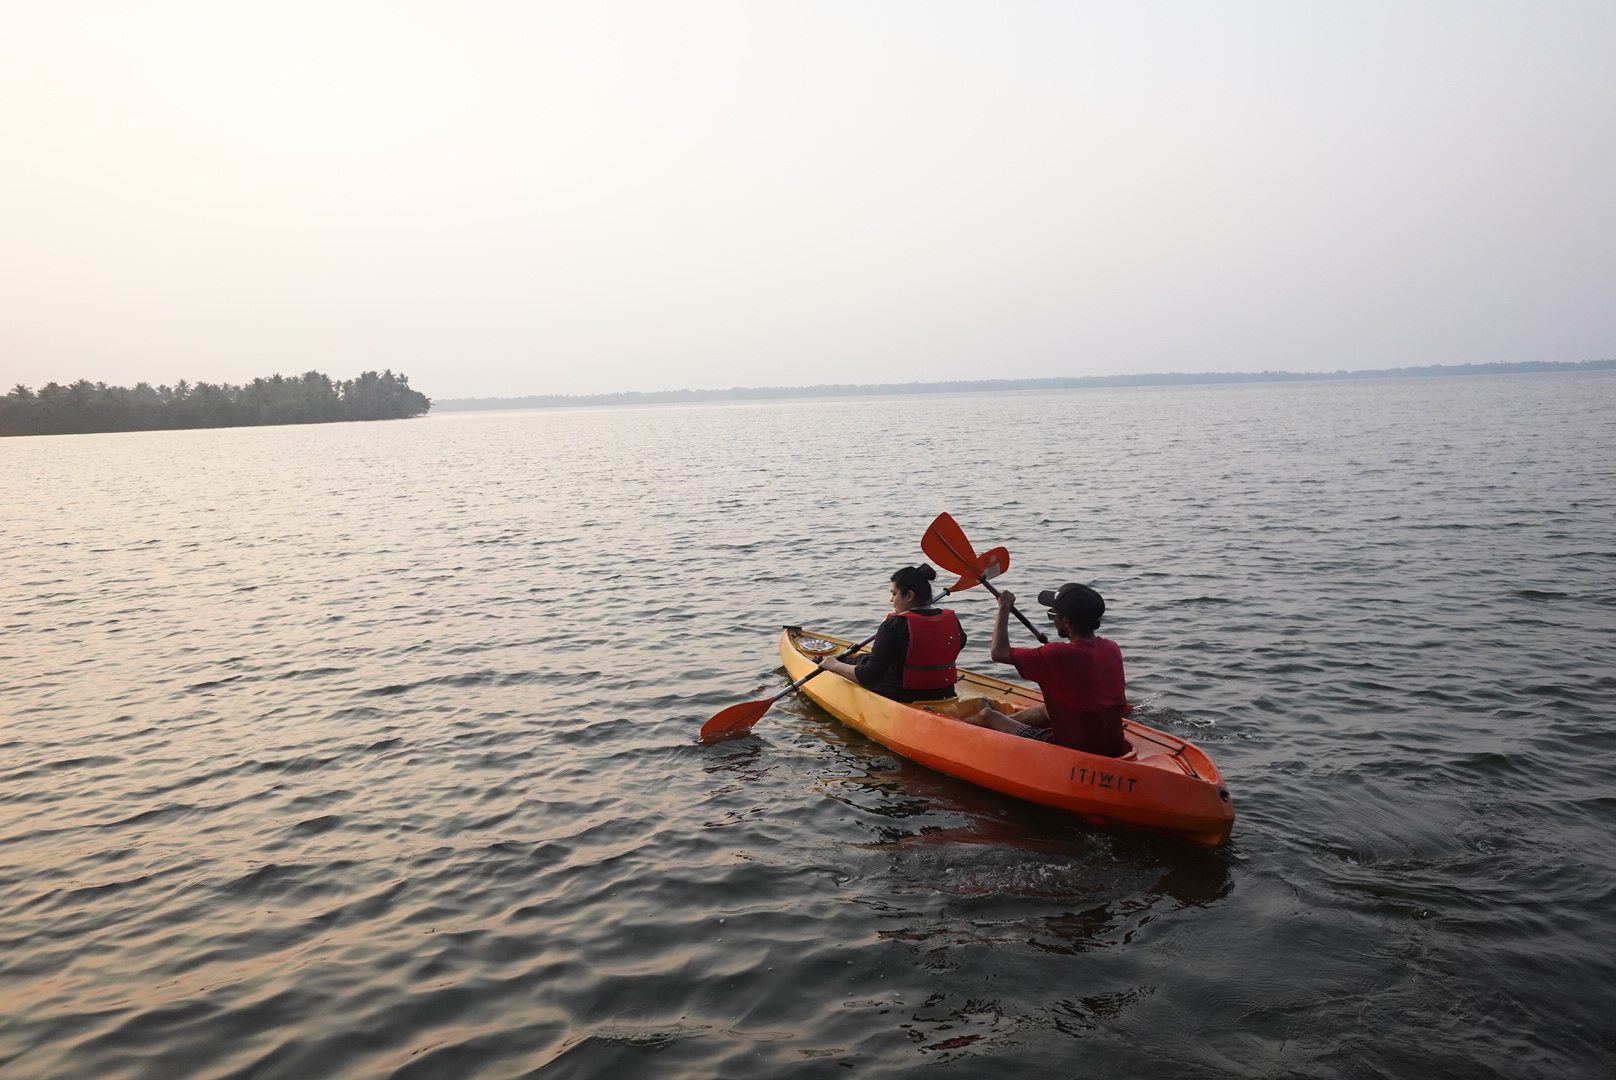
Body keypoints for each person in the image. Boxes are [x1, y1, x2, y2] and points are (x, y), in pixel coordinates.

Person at [956, 582, 1130, 757]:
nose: (1053, 620)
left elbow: (998, 653)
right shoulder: (1111, 647)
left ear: (1066, 622)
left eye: (1053, 614)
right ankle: (1001, 723)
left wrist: (1004, 607)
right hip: (1112, 745)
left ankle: (956, 727)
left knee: (987, 715)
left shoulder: (1057, 654)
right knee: (1046, 709)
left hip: (1071, 750)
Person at [816, 564, 966, 704]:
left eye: (894, 594)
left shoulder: (894, 625)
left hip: (904, 695)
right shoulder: (952, 619)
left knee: (861, 663)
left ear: (909, 596)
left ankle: (827, 661)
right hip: (944, 692)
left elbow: (869, 676)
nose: (891, 600)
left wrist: (835, 665)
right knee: (864, 658)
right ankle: (848, 660)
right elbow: (956, 644)